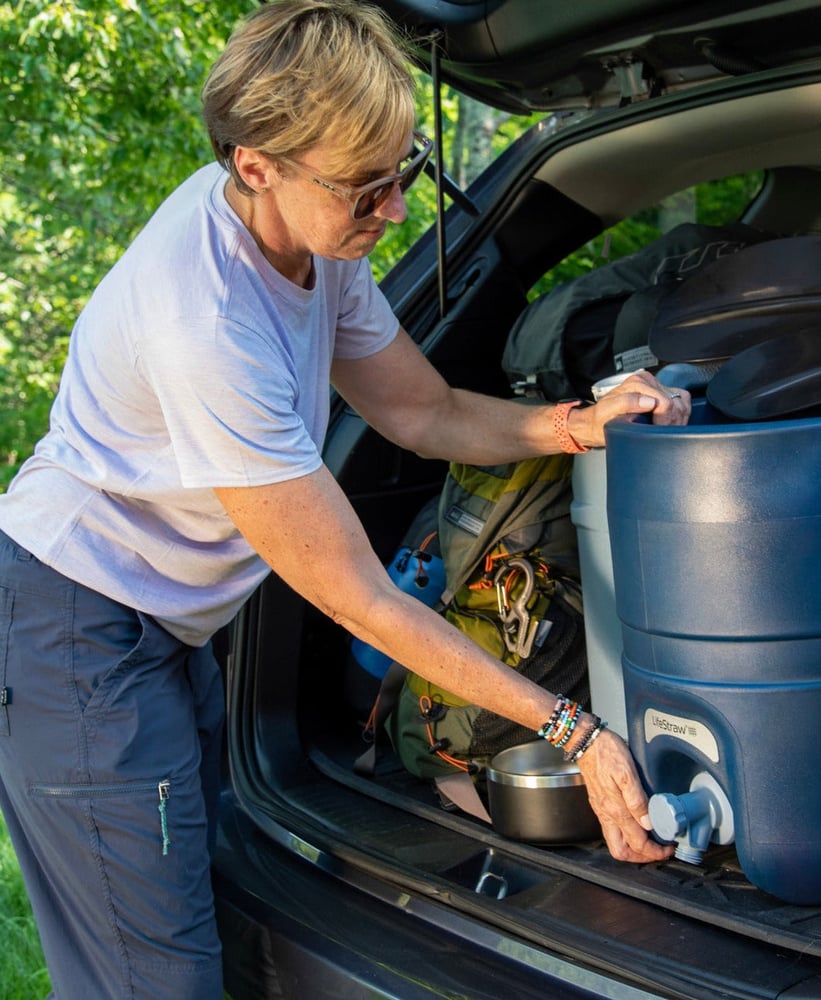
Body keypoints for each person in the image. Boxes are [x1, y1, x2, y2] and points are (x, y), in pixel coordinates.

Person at [0, 2, 691, 996]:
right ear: (255, 166)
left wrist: (578, 424)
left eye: (402, 172)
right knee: (148, 976)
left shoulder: (317, 247)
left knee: (204, 913)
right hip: (74, 627)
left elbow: (427, 412)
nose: (393, 212)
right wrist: (572, 731)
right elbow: (356, 596)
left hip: (163, 626)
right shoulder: (204, 322)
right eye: (364, 191)